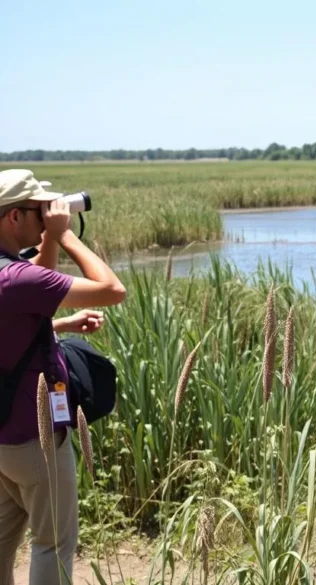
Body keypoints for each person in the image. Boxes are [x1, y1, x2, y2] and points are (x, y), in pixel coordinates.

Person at [0, 169, 127, 585]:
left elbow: (26, 309)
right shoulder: (18, 278)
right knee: (52, 544)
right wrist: (67, 235)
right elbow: (112, 289)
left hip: (2, 441)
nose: (47, 216)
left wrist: (62, 324)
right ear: (13, 218)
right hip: (32, 437)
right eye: (39, 211)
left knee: (2, 541)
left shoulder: (10, 275)